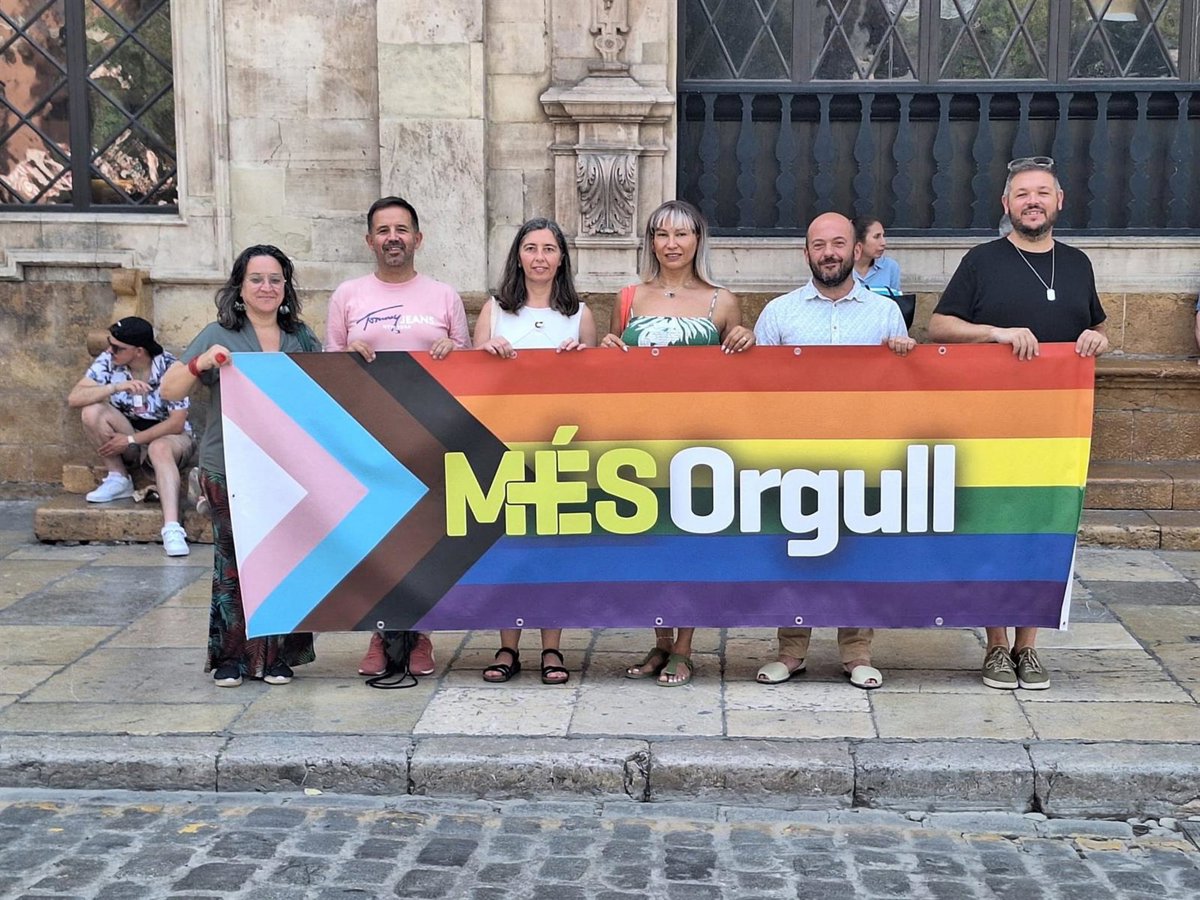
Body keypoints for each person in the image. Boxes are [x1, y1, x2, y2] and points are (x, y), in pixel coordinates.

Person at [929, 155, 1109, 692]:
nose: (1033, 202)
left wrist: (1098, 338)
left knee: (1044, 528)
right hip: (992, 423)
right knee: (994, 528)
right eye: (1023, 194)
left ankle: (1028, 646)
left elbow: (1097, 326)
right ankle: (995, 645)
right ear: (1006, 204)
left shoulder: (1077, 264)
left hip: (1056, 427)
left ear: (1059, 202)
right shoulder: (982, 261)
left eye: (1042, 193)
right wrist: (996, 334)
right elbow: (939, 325)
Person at [754, 212, 914, 691]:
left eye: (838, 243)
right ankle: (790, 652)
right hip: (795, 455)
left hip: (863, 453)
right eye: (819, 245)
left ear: (855, 251)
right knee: (795, 549)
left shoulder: (885, 313)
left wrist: (905, 356)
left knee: (858, 551)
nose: (829, 253)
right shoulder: (778, 313)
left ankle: (857, 653)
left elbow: (901, 387)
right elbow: (758, 386)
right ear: (806, 253)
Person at [600, 199, 755, 686]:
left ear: (697, 240)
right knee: (650, 542)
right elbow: (613, 369)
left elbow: (737, 371)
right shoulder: (628, 297)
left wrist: (745, 338)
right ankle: (661, 641)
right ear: (650, 242)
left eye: (682, 234)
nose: (672, 244)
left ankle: (685, 647)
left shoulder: (721, 300)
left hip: (699, 440)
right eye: (662, 234)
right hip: (641, 439)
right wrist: (606, 350)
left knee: (691, 541)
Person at [161, 245, 321, 688]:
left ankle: (276, 656)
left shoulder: (301, 338)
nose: (266, 287)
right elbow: (170, 388)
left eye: (275, 279)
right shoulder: (219, 333)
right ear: (240, 287)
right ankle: (231, 658)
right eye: (256, 279)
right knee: (234, 562)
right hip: (229, 466)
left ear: (286, 287)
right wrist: (202, 362)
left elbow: (322, 392)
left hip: (287, 469)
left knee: (284, 559)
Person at [324, 196, 470, 679]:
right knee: (378, 539)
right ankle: (380, 633)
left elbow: (470, 369)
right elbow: (327, 368)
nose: (393, 238)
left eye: (402, 229)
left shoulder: (444, 296)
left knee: (426, 538)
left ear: (418, 239)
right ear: (370, 240)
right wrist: (348, 352)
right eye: (384, 230)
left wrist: (452, 350)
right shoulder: (348, 295)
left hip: (433, 437)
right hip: (370, 438)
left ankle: (421, 633)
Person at [473, 217, 596, 685]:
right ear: (518, 256)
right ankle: (507, 645)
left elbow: (597, 387)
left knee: (552, 550)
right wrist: (486, 352)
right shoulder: (494, 310)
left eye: (548, 248)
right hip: (503, 445)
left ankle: (551, 648)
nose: (539, 257)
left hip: (560, 447)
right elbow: (471, 379)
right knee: (508, 547)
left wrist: (582, 359)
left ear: (561, 258)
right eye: (531, 248)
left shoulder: (579, 313)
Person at [67, 316, 194, 557]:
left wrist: (131, 440)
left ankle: (172, 528)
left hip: (169, 436)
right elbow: (74, 398)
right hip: (129, 431)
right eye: (110, 344)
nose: (109, 350)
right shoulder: (109, 361)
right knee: (91, 411)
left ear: (138, 351)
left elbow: (176, 422)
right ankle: (118, 477)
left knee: (159, 448)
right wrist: (114, 387)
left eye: (117, 347)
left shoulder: (169, 366)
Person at [851, 215, 901, 294]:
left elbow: (895, 299)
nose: (883, 243)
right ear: (858, 241)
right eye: (876, 237)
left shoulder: (890, 267)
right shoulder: (842, 268)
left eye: (883, 236)